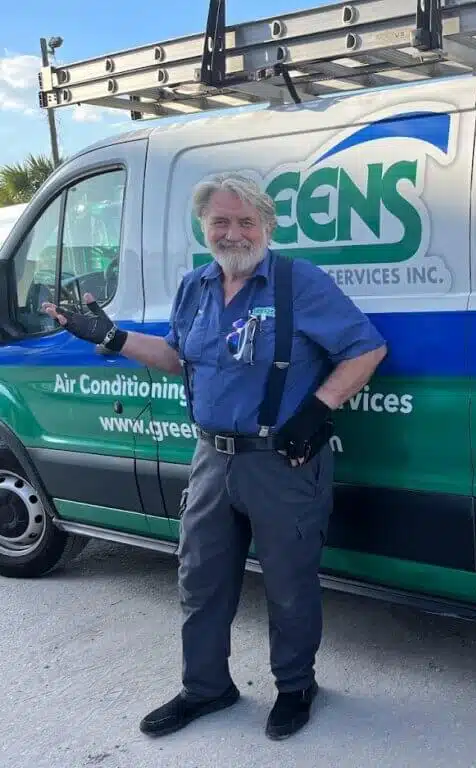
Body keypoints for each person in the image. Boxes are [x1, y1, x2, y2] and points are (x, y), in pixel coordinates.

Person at [42, 172, 388, 741]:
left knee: (289, 583)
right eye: (220, 222)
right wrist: (112, 338)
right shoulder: (195, 287)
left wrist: (317, 410)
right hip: (211, 459)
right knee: (200, 579)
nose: (233, 233)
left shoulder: (298, 283)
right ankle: (206, 688)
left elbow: (366, 348)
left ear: (267, 226)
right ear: (204, 227)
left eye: (245, 221)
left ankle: (296, 687)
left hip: (282, 462)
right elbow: (181, 358)